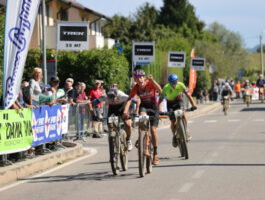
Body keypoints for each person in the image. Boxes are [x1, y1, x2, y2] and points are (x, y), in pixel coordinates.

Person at [123, 69, 162, 165]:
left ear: (144, 77)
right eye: (137, 78)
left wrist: (153, 81)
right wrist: (125, 111)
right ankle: (142, 138)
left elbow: (160, 90)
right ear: (135, 80)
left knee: (153, 130)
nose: (139, 80)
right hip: (144, 107)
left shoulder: (150, 83)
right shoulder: (136, 88)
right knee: (142, 119)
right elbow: (129, 99)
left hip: (153, 108)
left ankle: (156, 153)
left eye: (141, 77)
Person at [91, 84, 139, 151]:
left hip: (122, 108)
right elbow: (91, 103)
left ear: (117, 94)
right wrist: (93, 115)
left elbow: (137, 101)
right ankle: (112, 144)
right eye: (109, 98)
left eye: (113, 97)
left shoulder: (122, 95)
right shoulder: (104, 96)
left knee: (128, 124)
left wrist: (136, 112)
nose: (112, 100)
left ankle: (128, 140)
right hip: (112, 109)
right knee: (110, 126)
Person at [158, 74, 197, 148]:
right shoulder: (165, 88)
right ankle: (174, 136)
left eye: (175, 83)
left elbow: (188, 95)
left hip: (178, 101)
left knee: (183, 111)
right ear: (169, 82)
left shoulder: (181, 85)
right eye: (172, 83)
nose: (174, 85)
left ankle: (186, 130)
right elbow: (160, 99)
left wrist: (193, 105)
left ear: (177, 81)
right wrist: (160, 110)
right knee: (173, 122)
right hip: (170, 104)